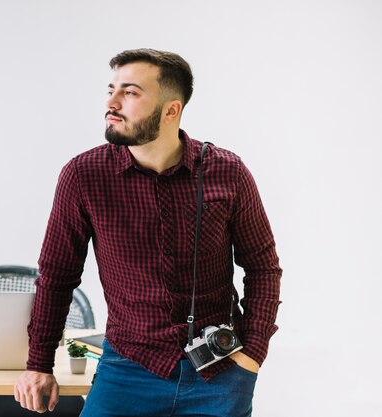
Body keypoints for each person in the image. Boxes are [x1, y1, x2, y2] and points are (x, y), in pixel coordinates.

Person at [14, 48, 282, 417]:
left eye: (130, 92)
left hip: (219, 374)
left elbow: (263, 267)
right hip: (126, 369)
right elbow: (57, 276)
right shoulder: (83, 176)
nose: (112, 102)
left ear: (172, 110)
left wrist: (252, 353)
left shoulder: (228, 172)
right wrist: (38, 364)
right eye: (111, 90)